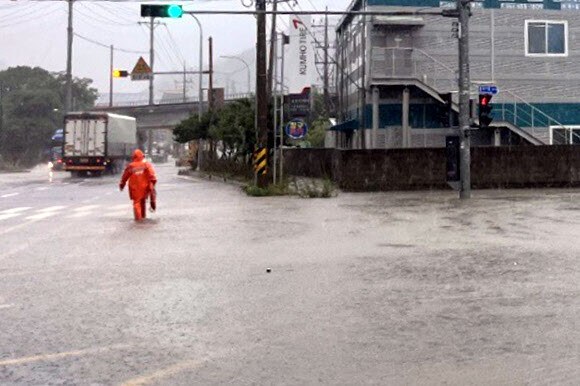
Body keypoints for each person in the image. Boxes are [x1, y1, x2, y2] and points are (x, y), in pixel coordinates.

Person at [119, 149, 157, 221]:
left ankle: (139, 219)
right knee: (143, 202)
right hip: (145, 186)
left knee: (137, 203)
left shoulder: (131, 166)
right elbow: (152, 176)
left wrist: (122, 185)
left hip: (135, 187)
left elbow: (125, 176)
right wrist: (152, 185)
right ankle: (143, 217)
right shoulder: (146, 164)